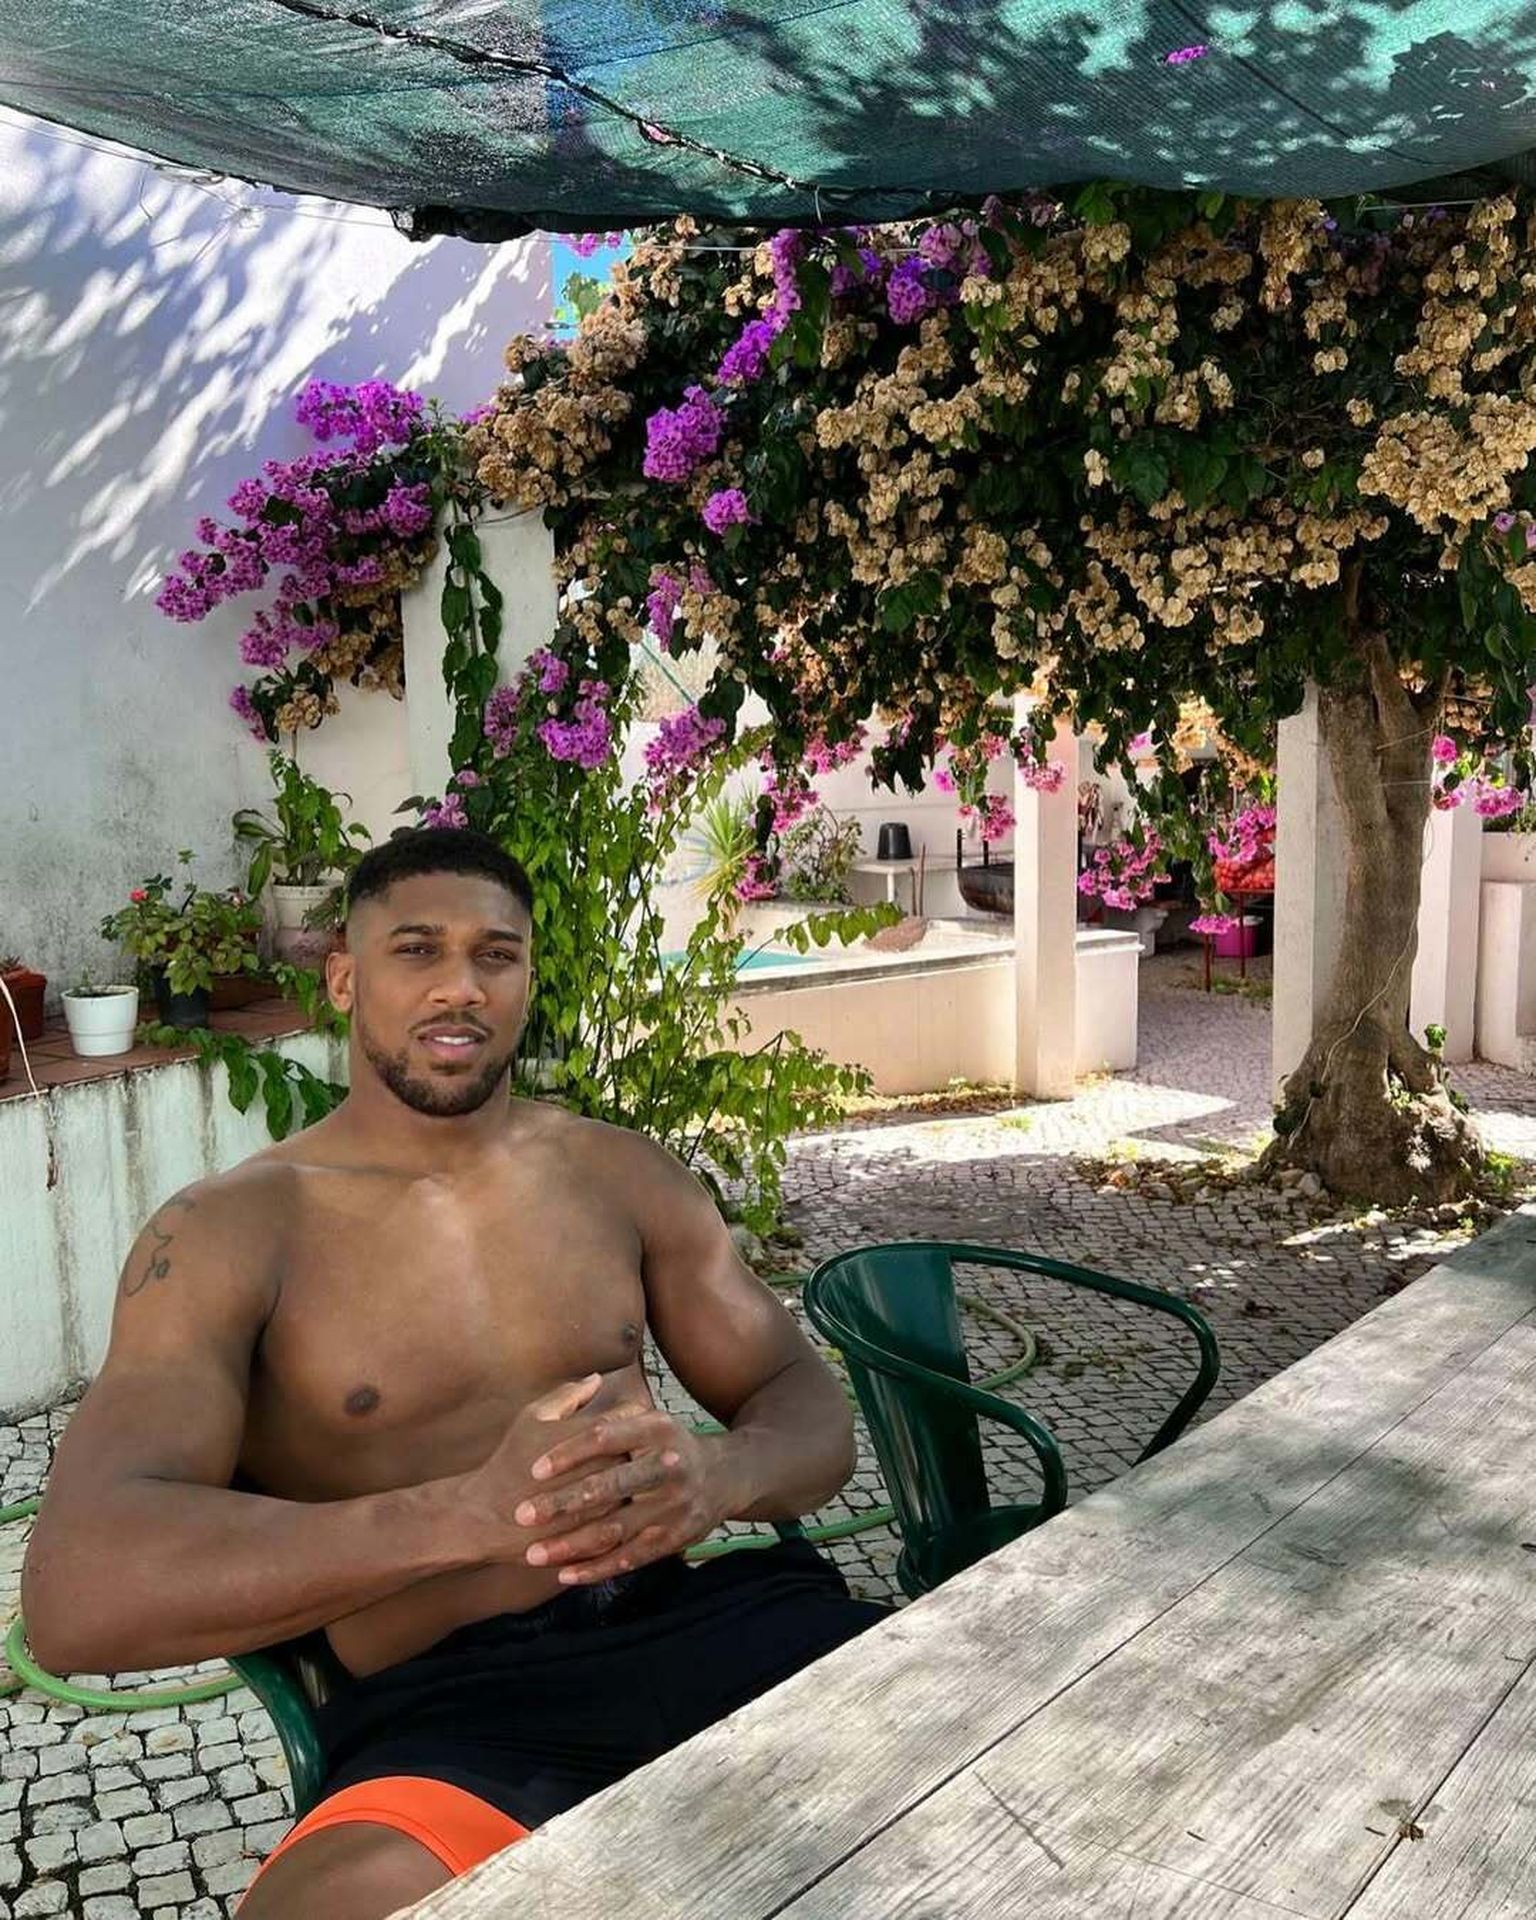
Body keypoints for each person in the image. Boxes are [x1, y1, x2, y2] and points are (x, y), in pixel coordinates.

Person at [22, 828, 886, 1919]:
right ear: (345, 979)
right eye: (417, 950)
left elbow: (807, 1408)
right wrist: (471, 1515)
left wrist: (721, 1475)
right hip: (452, 1714)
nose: (461, 987)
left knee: (1002, 1735)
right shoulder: (229, 1234)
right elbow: (78, 1594)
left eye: (496, 955)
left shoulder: (619, 1174)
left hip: (705, 1629)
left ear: (526, 979)